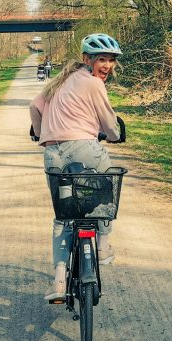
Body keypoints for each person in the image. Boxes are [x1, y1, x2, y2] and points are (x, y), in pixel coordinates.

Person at [29, 33, 122, 302]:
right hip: (85, 147)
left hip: (53, 153)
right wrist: (115, 134)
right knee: (107, 191)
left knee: (63, 215)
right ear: (87, 59)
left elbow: (35, 106)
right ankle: (102, 246)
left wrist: (40, 132)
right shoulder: (93, 84)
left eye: (111, 61)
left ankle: (59, 281)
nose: (107, 65)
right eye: (101, 60)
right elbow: (108, 122)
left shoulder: (58, 83)